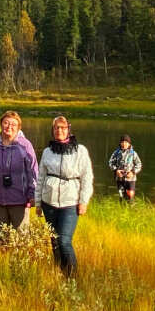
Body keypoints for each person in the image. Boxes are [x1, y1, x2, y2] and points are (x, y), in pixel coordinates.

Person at [36, 115, 93, 277]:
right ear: (52, 130)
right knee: (54, 240)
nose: (59, 131)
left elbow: (87, 177)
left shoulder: (80, 151)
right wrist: (38, 202)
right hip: (49, 202)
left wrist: (83, 201)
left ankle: (73, 277)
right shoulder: (48, 151)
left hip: (70, 202)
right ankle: (59, 273)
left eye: (62, 128)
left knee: (64, 241)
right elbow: (40, 177)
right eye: (56, 128)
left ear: (68, 129)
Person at [0, 110, 36, 243]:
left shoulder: (25, 145)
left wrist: (32, 195)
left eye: (13, 124)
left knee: (22, 239)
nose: (9, 127)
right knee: (0, 238)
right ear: (1, 124)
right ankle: (1, 262)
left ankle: (20, 263)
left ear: (19, 128)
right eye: (6, 123)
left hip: (20, 200)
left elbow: (33, 172)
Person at [108, 133, 142, 201]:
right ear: (120, 143)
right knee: (122, 197)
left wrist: (132, 172)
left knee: (130, 196)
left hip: (131, 179)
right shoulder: (116, 153)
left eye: (126, 142)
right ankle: (122, 209)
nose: (124, 144)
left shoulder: (133, 153)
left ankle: (131, 209)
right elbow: (110, 163)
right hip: (119, 179)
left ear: (129, 144)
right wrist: (116, 170)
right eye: (122, 142)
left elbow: (139, 164)